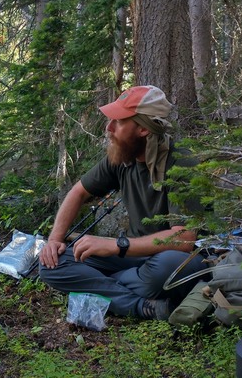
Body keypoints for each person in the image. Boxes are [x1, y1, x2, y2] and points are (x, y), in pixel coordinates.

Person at [38, 85, 207, 320]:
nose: (109, 128)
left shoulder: (182, 163)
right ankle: (141, 305)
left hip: (172, 257)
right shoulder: (121, 157)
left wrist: (118, 245)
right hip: (132, 257)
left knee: (169, 267)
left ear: (143, 129)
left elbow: (184, 238)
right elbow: (78, 192)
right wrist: (55, 240)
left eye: (118, 122)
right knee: (52, 264)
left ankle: (101, 285)